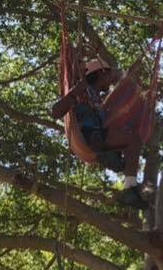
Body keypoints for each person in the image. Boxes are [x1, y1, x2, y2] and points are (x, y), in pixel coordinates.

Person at [51, 56, 146, 209]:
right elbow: (55, 112)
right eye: (109, 77)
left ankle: (130, 187)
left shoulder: (101, 101)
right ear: (102, 73)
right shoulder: (82, 92)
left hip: (101, 137)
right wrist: (75, 92)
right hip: (87, 136)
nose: (111, 82)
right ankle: (105, 152)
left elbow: (122, 79)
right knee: (87, 112)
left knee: (134, 139)